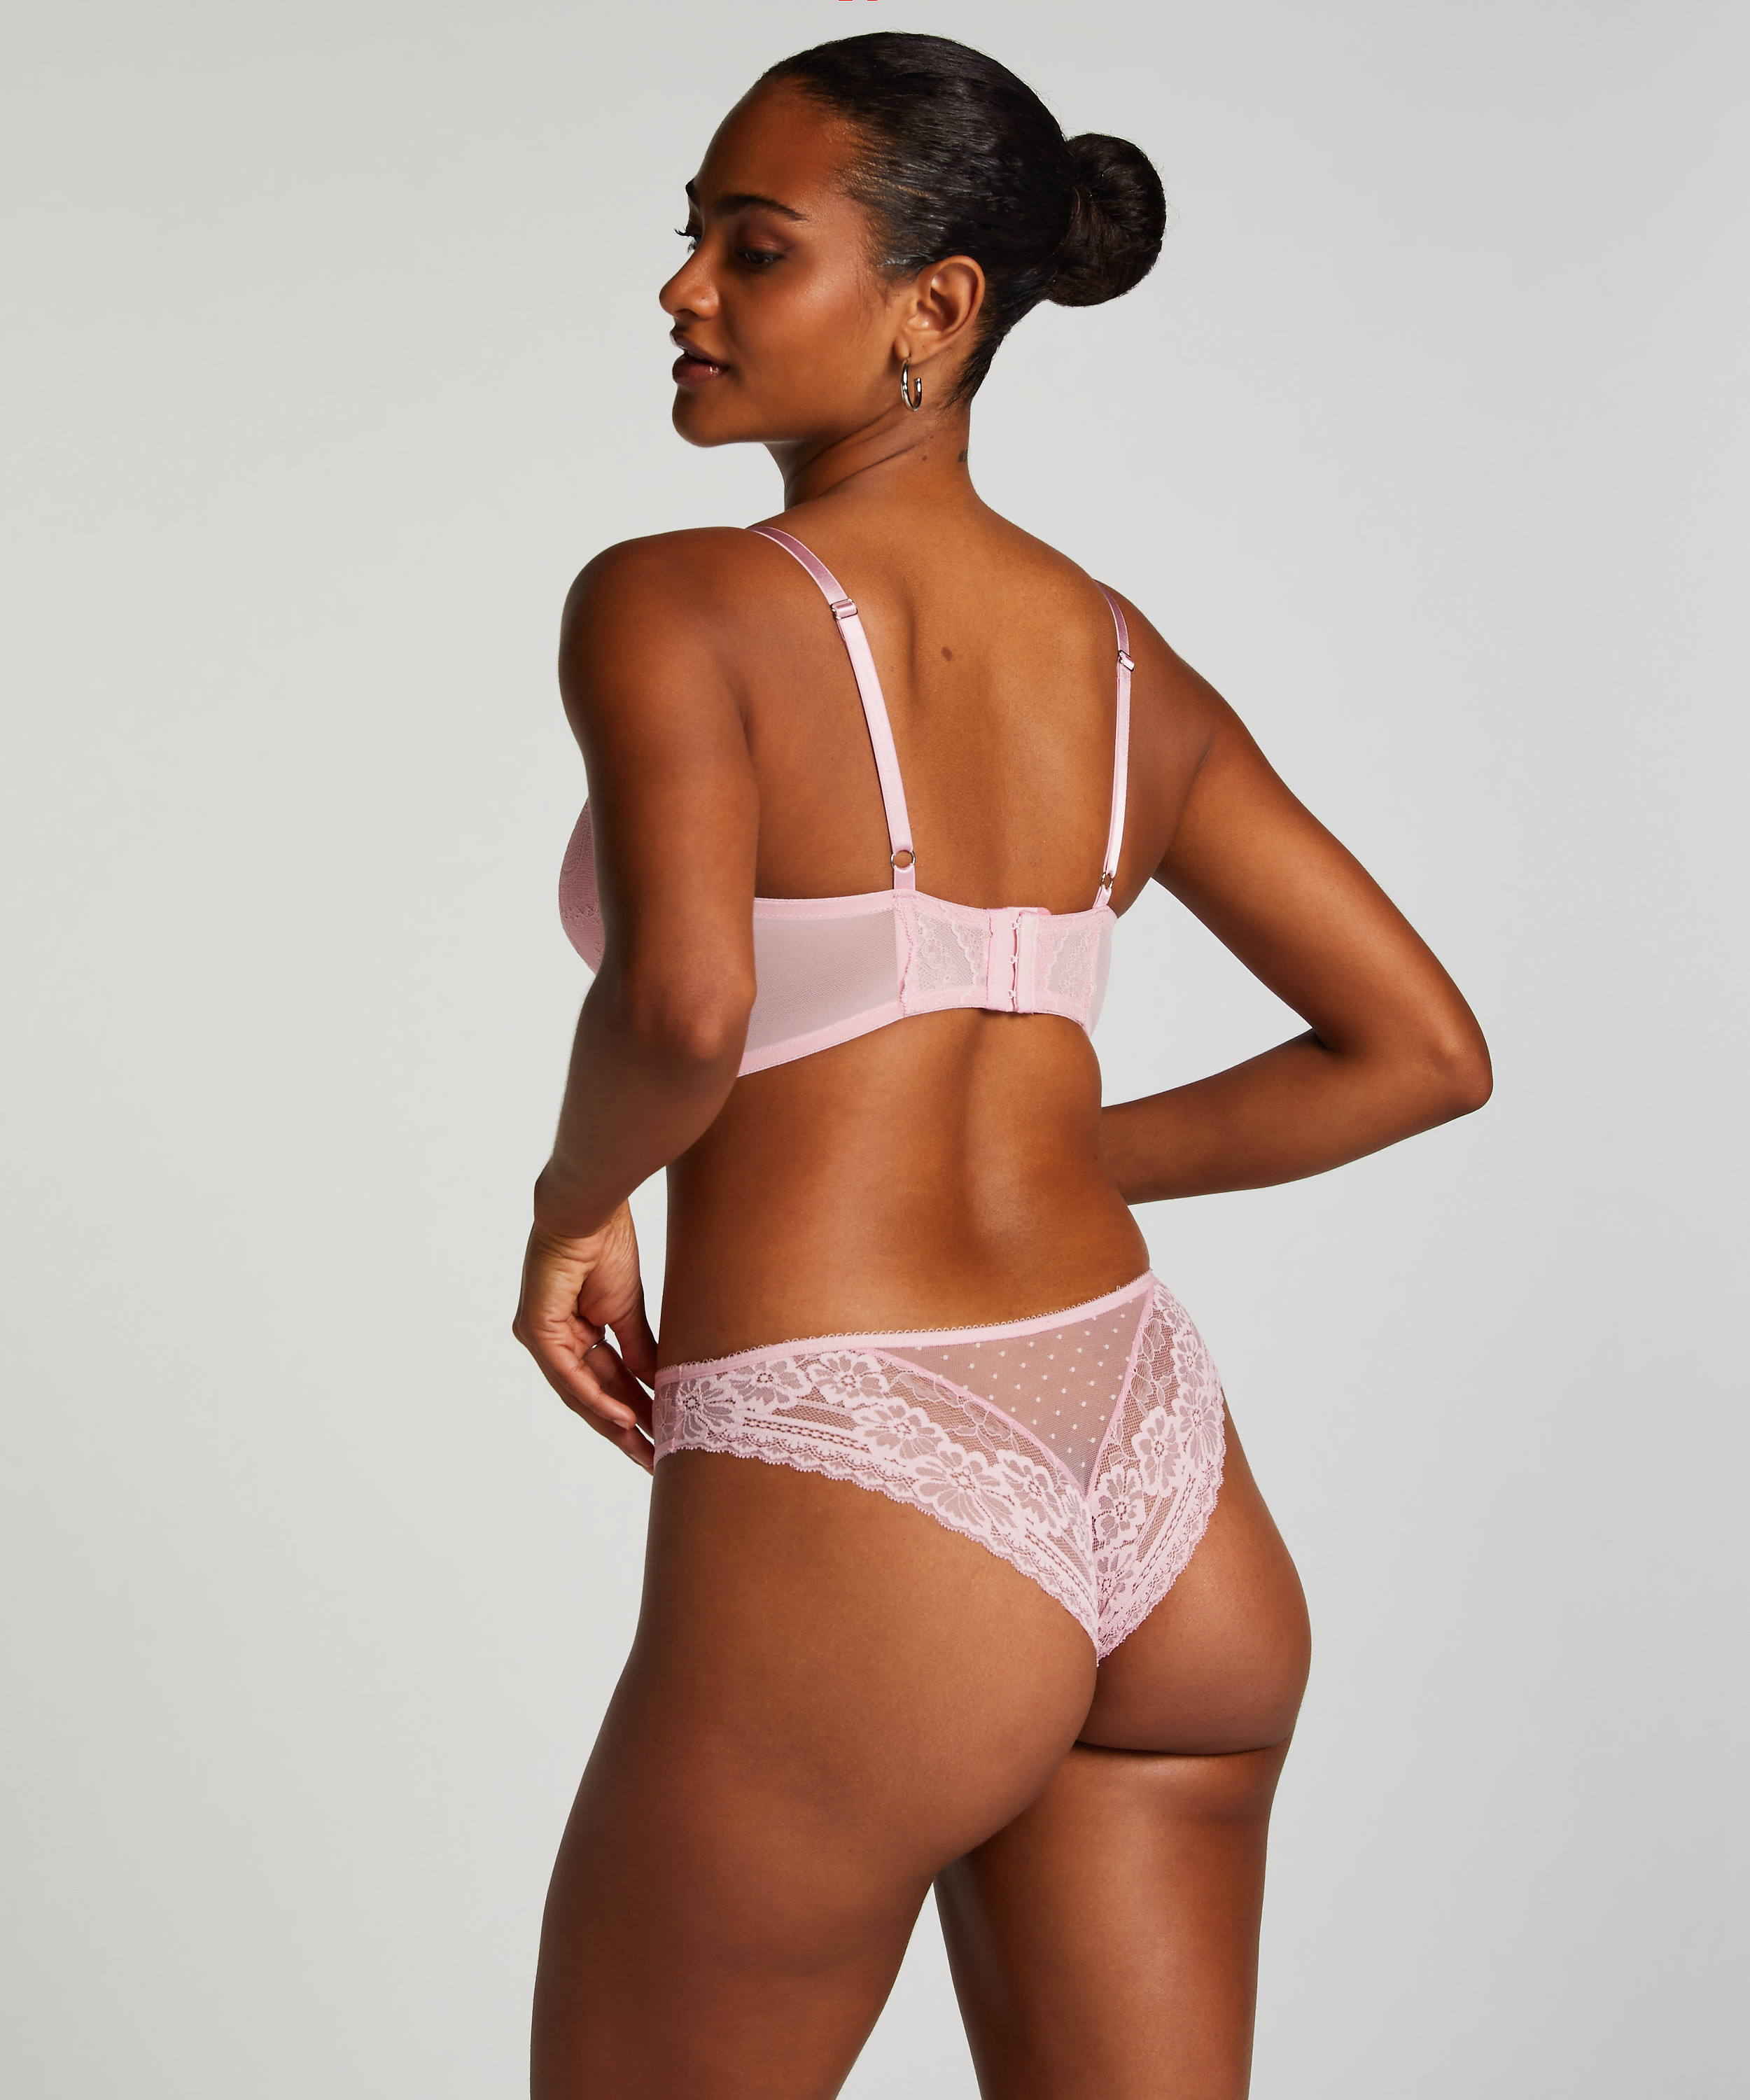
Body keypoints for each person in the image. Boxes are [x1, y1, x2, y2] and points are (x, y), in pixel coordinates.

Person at [512, 30, 1490, 2099]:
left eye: (752, 247)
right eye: (690, 238)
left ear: (935, 307)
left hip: (862, 1486)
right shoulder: (1119, 659)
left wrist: (570, 1211)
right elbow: (1417, 1052)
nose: (683, 289)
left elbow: (683, 1012)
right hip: (1162, 1477)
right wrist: (1055, 1155)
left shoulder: (673, 602)